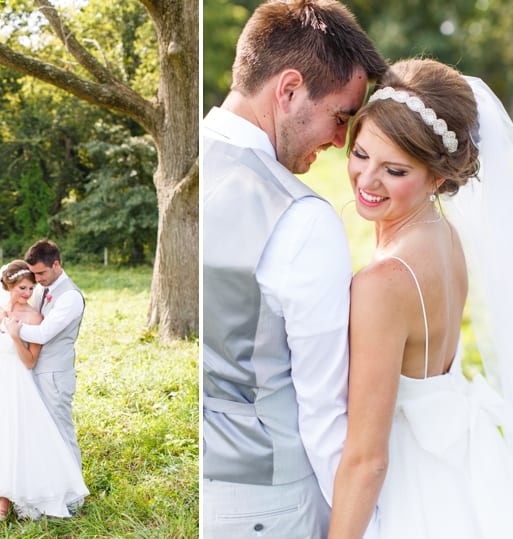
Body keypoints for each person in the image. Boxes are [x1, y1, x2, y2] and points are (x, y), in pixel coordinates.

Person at [328, 58, 513, 538]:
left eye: (394, 170)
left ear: (439, 177)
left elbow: (367, 459)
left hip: (409, 488)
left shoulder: (382, 285)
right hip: (460, 472)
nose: (367, 181)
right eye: (361, 154)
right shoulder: (445, 236)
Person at [202, 1, 387, 536]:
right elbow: (325, 416)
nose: (339, 142)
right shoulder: (301, 219)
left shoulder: (185, 165)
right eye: (341, 117)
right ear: (288, 91)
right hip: (267, 503)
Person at [0, 260, 89, 520]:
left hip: (20, 383)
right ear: (8, 285)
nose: (27, 293)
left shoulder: (35, 317)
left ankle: (7, 502)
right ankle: (0, 493)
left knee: (15, 439)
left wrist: (13, 332)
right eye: (22, 287)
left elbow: (30, 361)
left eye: (31, 288)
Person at [0, 239, 87, 513]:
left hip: (54, 374)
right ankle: (45, 488)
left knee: (62, 432)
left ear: (56, 265)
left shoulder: (70, 297)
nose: (37, 281)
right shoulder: (44, 289)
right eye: (33, 276)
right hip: (30, 375)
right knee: (41, 435)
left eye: (41, 274)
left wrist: (7, 326)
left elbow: (43, 333)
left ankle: (73, 495)